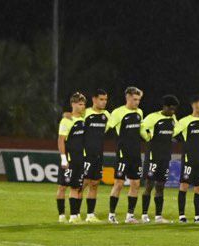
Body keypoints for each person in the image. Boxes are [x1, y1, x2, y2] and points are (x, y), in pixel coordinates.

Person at [103, 86, 145, 223]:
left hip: (136, 154)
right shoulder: (118, 112)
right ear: (127, 98)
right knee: (119, 184)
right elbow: (107, 127)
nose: (137, 102)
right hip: (123, 154)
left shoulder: (139, 112)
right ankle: (111, 215)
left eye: (138, 100)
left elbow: (141, 131)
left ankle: (130, 216)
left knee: (136, 184)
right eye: (134, 99)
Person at [139, 95, 179, 222]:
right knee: (149, 185)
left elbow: (176, 129)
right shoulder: (153, 117)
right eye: (170, 109)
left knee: (160, 186)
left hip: (165, 156)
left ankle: (158, 216)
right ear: (165, 107)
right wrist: (147, 137)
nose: (172, 112)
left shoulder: (172, 118)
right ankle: (144, 215)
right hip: (153, 156)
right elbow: (141, 127)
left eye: (174, 110)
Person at [174, 96, 199, 223]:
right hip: (188, 159)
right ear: (195, 106)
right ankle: (181, 216)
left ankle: (198, 216)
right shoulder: (185, 121)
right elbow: (173, 132)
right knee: (184, 185)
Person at [77, 89, 112, 222]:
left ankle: (90, 215)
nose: (104, 102)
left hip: (98, 154)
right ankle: (76, 214)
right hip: (86, 155)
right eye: (101, 99)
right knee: (82, 183)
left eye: (105, 100)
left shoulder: (106, 115)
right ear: (94, 99)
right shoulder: (85, 113)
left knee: (95, 183)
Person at [54, 93, 87, 222]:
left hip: (80, 158)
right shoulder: (66, 120)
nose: (83, 106)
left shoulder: (84, 119)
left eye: (84, 104)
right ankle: (61, 215)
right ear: (73, 104)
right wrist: (63, 158)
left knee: (76, 187)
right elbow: (61, 140)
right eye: (80, 104)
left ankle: (73, 216)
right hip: (69, 158)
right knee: (62, 186)